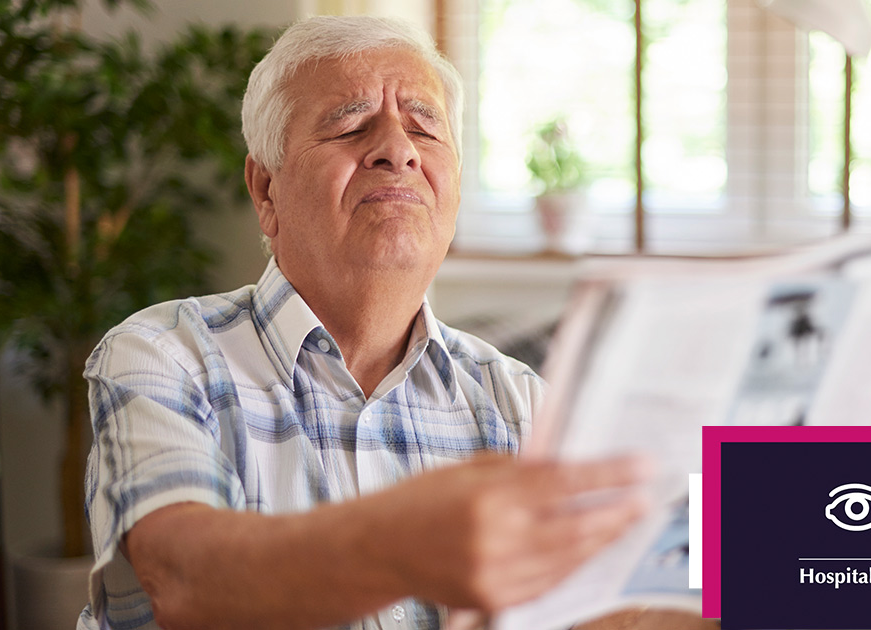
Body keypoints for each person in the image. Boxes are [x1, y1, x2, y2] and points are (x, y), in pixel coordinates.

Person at [79, 15, 651, 630]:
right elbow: (180, 583)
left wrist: (752, 551)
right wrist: (401, 543)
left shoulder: (520, 404)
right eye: (350, 126)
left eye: (425, 128)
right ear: (266, 190)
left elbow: (624, 605)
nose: (398, 149)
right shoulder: (163, 356)